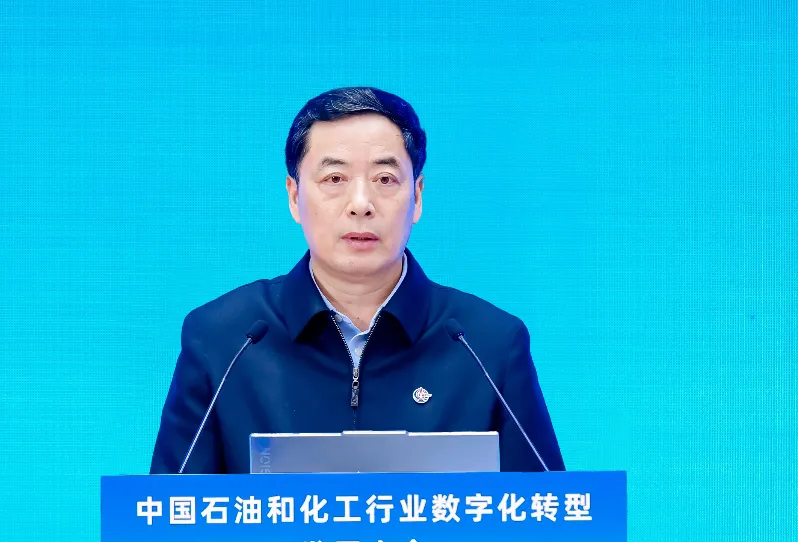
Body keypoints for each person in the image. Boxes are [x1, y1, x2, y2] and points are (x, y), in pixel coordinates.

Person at [150, 87, 564, 474]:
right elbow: (167, 516)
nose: (361, 204)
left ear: (417, 196)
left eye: (385, 179)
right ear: (294, 196)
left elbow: (552, 518)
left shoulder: (487, 344)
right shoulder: (225, 340)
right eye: (335, 179)